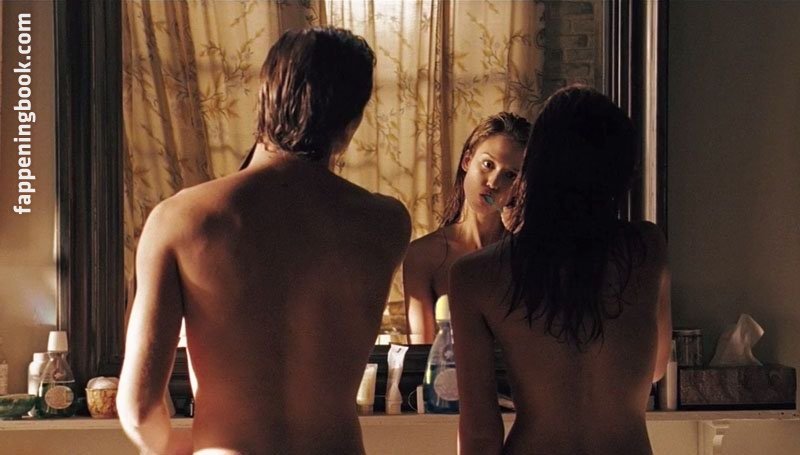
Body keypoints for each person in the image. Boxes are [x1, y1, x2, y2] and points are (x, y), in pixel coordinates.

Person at [117, 27, 411, 455]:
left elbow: (140, 409)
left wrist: (180, 448)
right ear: (351, 122)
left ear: (263, 99)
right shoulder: (385, 222)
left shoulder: (181, 219)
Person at [450, 86, 671, 455]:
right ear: (621, 171)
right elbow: (655, 368)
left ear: (534, 164)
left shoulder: (476, 274)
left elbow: (480, 435)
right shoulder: (647, 248)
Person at [404, 112, 531, 343]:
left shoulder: (527, 254)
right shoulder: (423, 255)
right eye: (488, 164)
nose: (493, 183)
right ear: (467, 161)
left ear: (520, 185)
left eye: (510, 175)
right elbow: (422, 353)